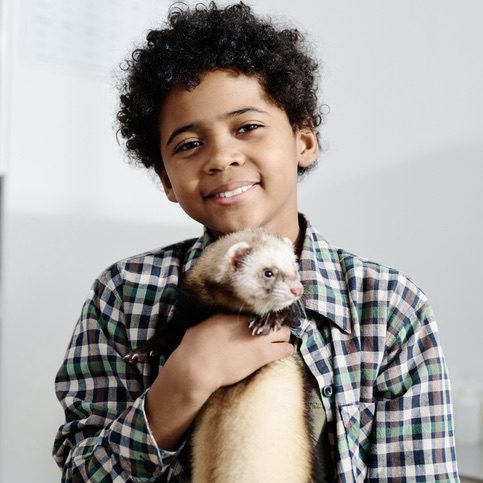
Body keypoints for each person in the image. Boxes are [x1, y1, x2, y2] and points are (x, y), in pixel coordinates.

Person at [53, 2, 459, 482]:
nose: (221, 157)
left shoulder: (390, 306)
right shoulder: (124, 295)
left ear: (303, 140)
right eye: (188, 144)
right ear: (166, 179)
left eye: (247, 127)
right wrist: (180, 387)